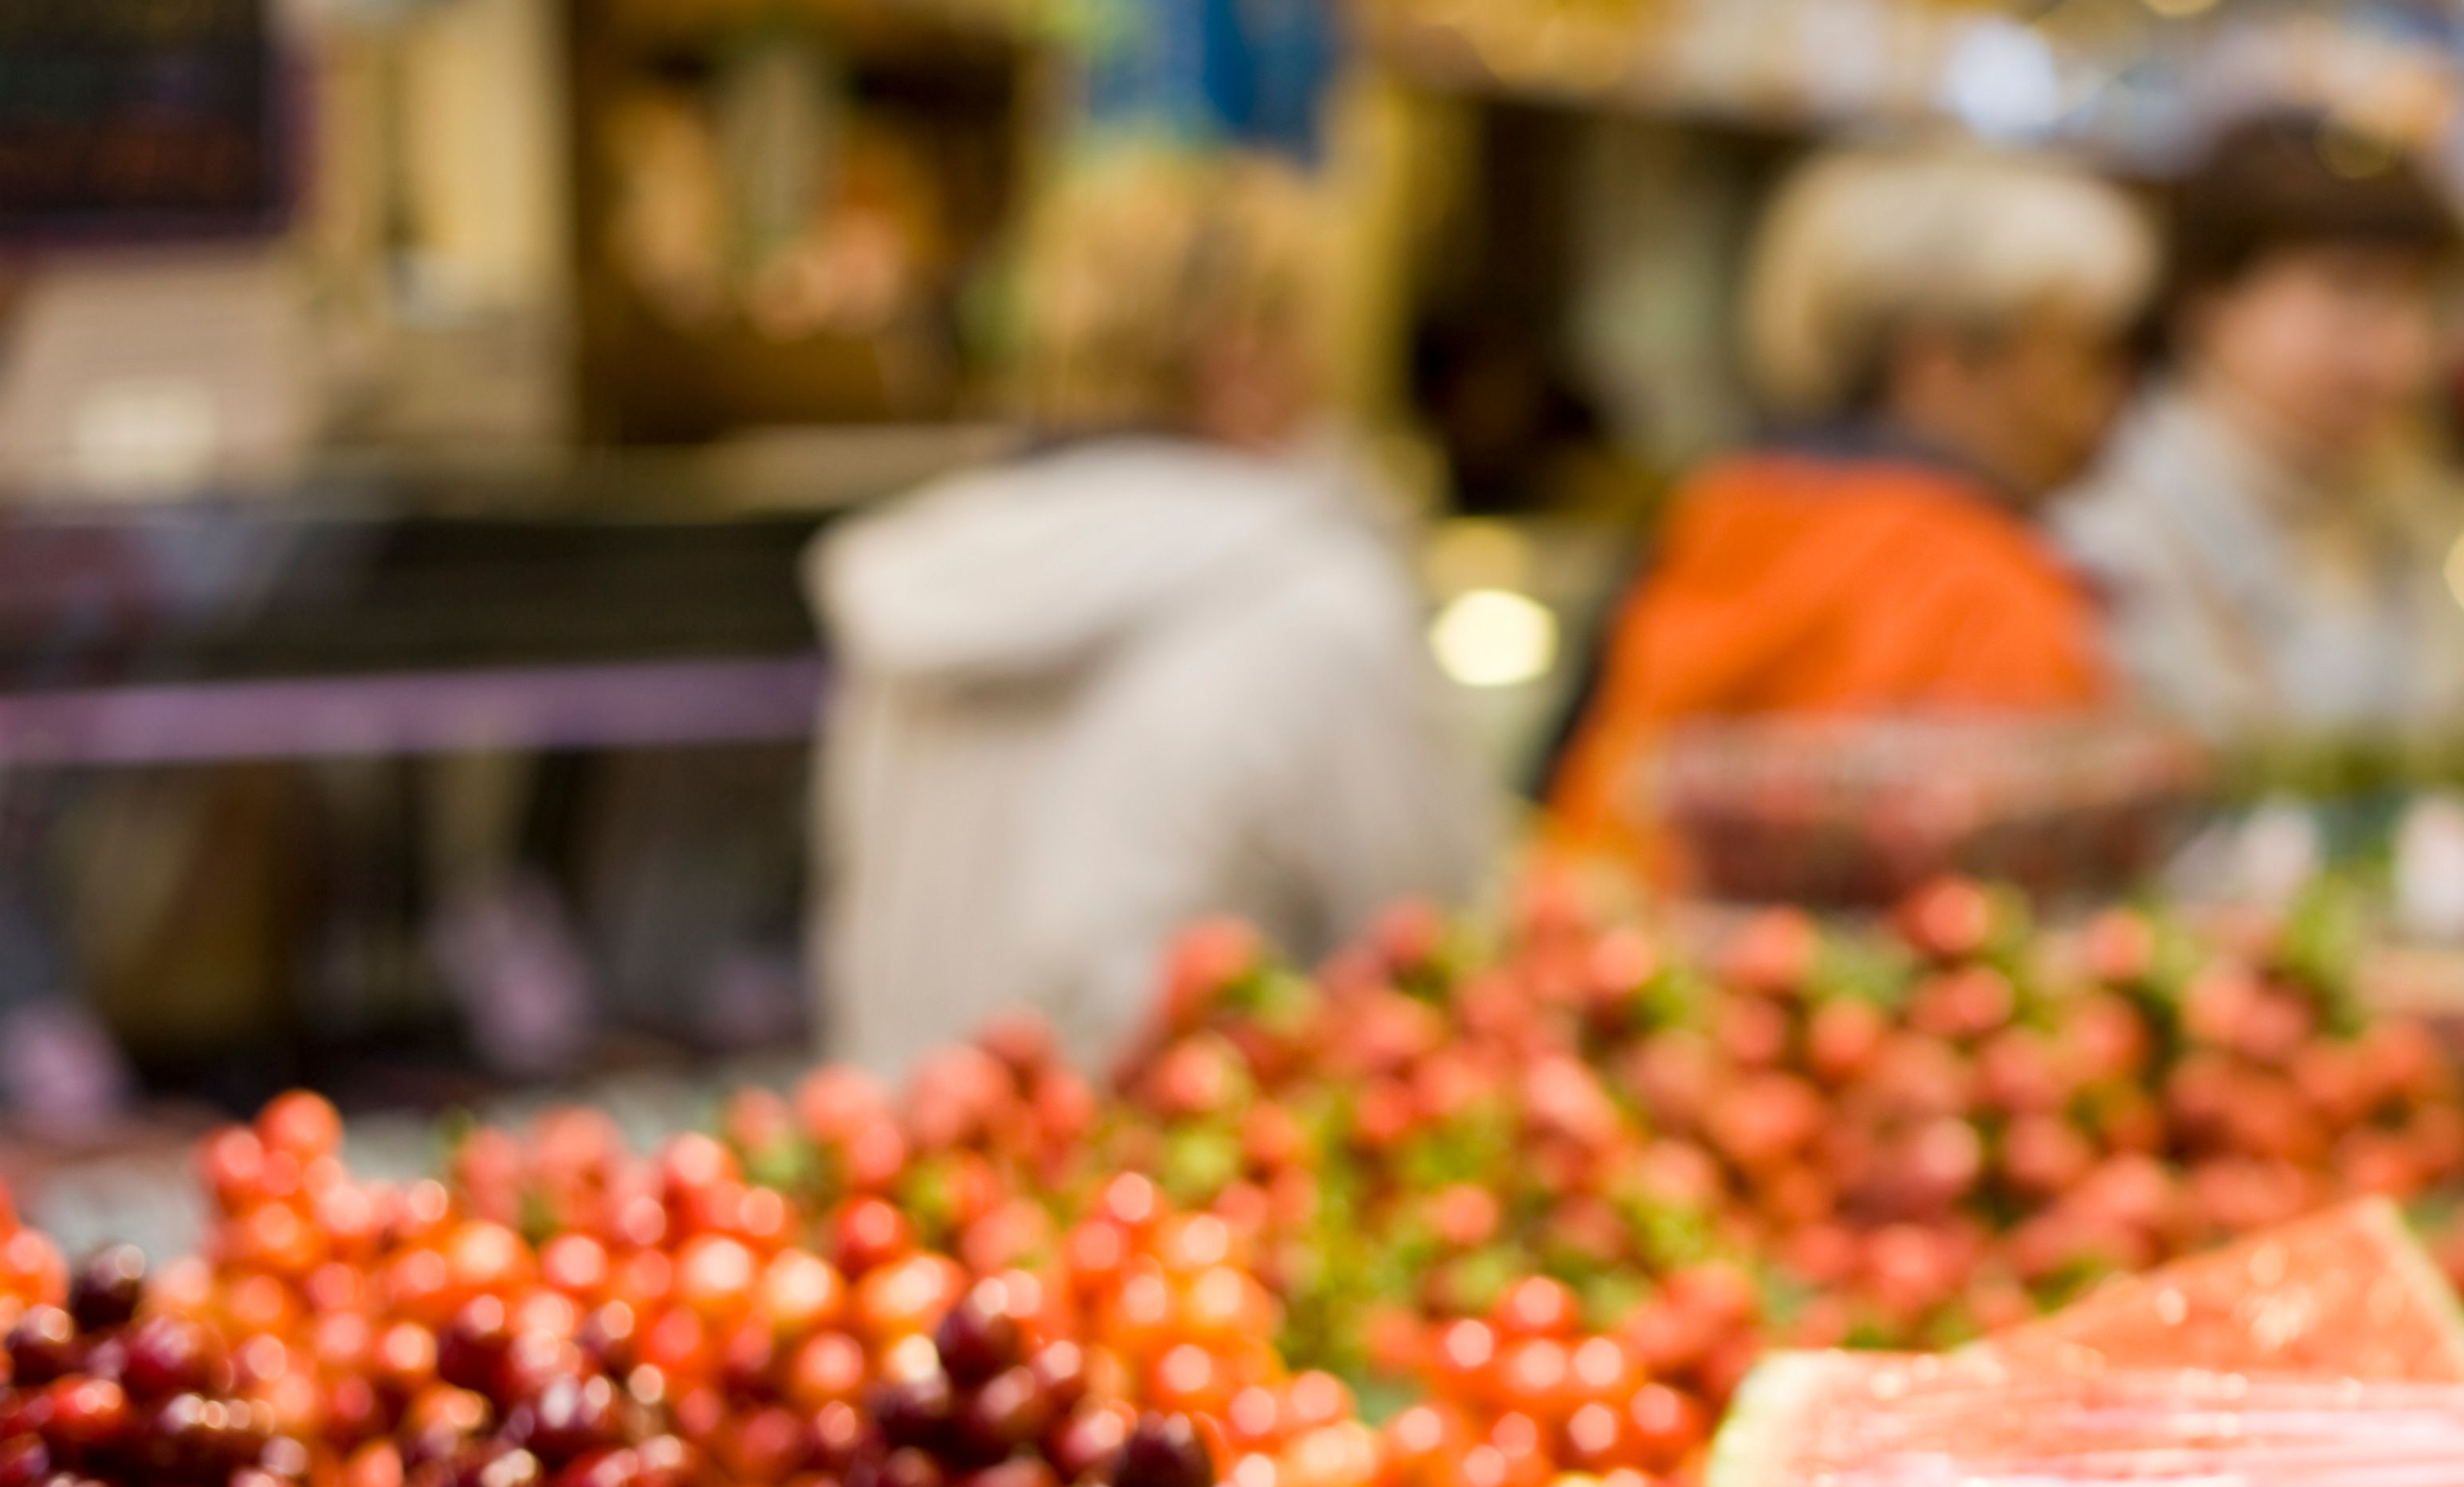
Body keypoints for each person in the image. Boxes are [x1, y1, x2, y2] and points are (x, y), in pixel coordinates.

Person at [805, 148, 1485, 1075]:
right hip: (1184, 1198)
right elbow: (1435, 946)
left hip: (903, 1181)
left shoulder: (931, 588)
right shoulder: (1315, 600)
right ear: (1242, 352)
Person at [1546, 144, 2153, 856]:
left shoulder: (1719, 511)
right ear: (1941, 362)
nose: (2106, 403)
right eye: (2081, 357)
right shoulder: (1982, 586)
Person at [2053, 115, 2464, 740]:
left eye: (2419, 300)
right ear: (2207, 301)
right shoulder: (2099, 545)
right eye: (2351, 291)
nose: (2400, 351)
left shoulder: (2389, 510)